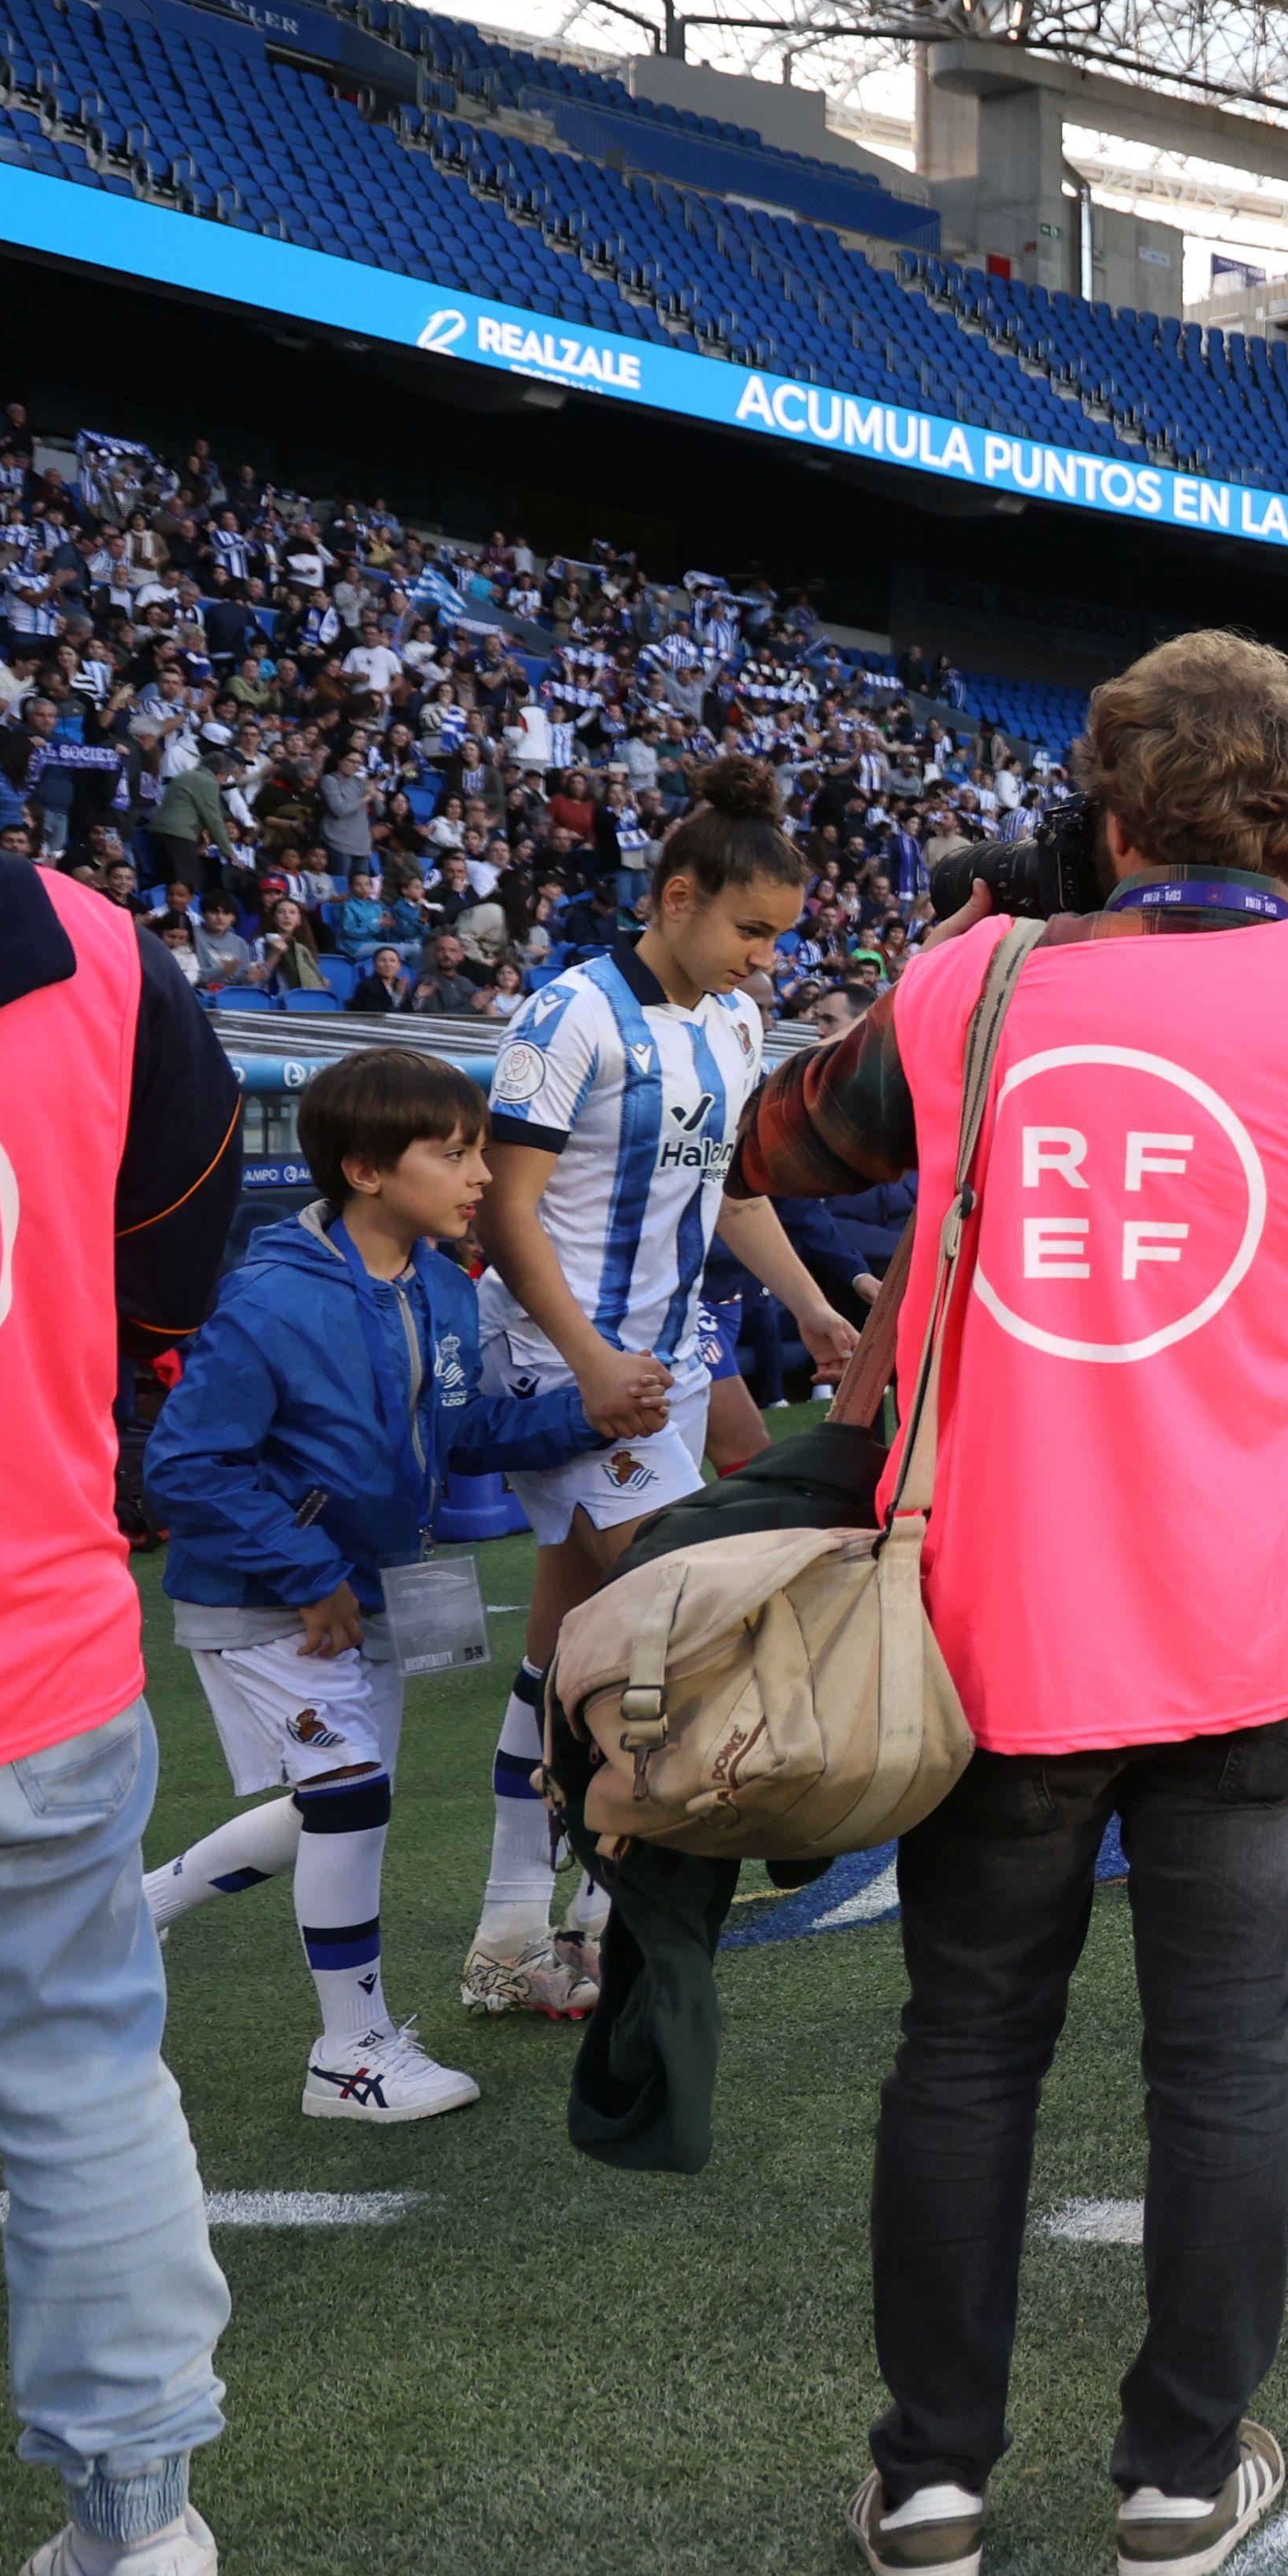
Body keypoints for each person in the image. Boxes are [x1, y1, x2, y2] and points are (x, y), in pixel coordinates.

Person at [732, 630, 1288, 2576]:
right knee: (1218, 2058)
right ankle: (1176, 2477)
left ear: (1106, 810)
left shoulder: (974, 987)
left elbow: (785, 1136)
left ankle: (934, 2486)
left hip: (1008, 1620)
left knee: (965, 2046)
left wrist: (979, 954)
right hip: (1254, 1622)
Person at [0, 565, 250, 2576]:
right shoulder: (97, 958)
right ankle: (149, 2552)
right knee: (85, 2088)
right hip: (6, 1629)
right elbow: (179, 1277)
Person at [138, 1048, 640, 2126]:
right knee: (351, 1796)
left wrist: (588, 1412)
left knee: (338, 1801)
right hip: (270, 1594)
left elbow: (462, 1436)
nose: (480, 1178)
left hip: (366, 1591)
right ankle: (349, 2055)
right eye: (453, 1154)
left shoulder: (438, 1288)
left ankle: (140, 1909)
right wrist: (311, 1571)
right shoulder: (274, 1300)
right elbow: (183, 1463)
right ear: (366, 1170)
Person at [460, 758, 860, 2019]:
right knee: (676, 1630)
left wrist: (805, 1305)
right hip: (565, 1362)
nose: (765, 960)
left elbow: (730, 1193)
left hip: (665, 1361)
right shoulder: (566, 1015)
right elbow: (506, 1215)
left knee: (565, 1644)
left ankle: (518, 1925)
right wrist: (584, 1363)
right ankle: (598, 1911)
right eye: (750, 930)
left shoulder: (736, 1026)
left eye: (782, 939)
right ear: (676, 897)